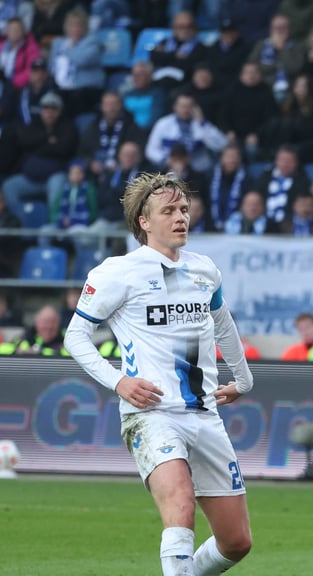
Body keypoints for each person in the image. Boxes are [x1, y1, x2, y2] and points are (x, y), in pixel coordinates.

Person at [64, 172, 255, 576]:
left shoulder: (205, 270)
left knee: (236, 542)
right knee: (180, 506)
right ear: (144, 222)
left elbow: (223, 324)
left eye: (184, 209)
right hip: (152, 414)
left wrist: (243, 378)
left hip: (204, 415)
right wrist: (120, 381)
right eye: (168, 211)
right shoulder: (117, 272)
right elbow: (76, 336)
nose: (180, 217)